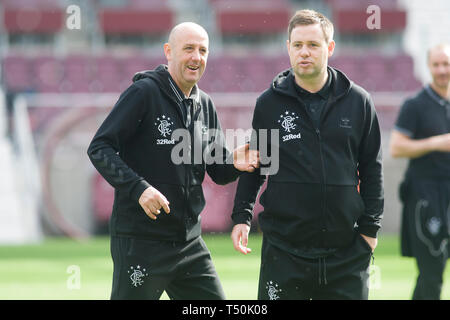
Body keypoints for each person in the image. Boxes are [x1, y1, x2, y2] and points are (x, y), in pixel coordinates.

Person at [87, 22, 259, 300]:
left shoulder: (205, 105)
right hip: (141, 241)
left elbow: (217, 170)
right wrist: (140, 189)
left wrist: (234, 164)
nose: (196, 57)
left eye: (203, 50)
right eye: (188, 48)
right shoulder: (143, 93)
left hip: (189, 243)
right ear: (169, 52)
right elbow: (99, 147)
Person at [230, 9, 384, 300]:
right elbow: (256, 162)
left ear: (330, 48)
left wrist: (369, 232)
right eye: (297, 45)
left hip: (346, 252)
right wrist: (242, 216)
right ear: (288, 48)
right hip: (284, 252)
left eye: (313, 45)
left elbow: (372, 169)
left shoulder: (359, 101)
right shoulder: (269, 103)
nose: (304, 52)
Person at [390, 43, 450, 300]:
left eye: (446, 64)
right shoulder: (415, 104)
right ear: (428, 67)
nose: (441, 70)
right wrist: (438, 142)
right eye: (436, 64)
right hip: (425, 197)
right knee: (432, 269)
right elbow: (396, 147)